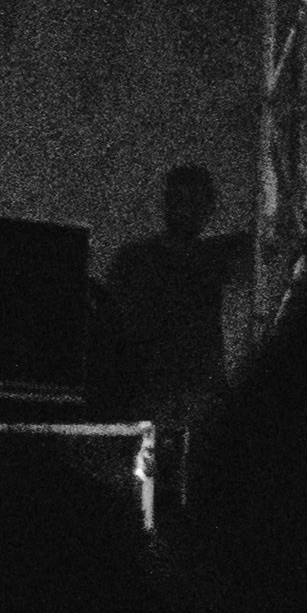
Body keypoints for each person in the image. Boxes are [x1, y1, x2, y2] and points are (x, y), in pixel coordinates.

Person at [101, 160, 255, 423]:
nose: (185, 211)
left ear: (209, 208)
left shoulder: (217, 257)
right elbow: (116, 327)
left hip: (195, 391)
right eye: (178, 201)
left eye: (194, 203)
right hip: (152, 388)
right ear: (166, 204)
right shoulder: (137, 260)